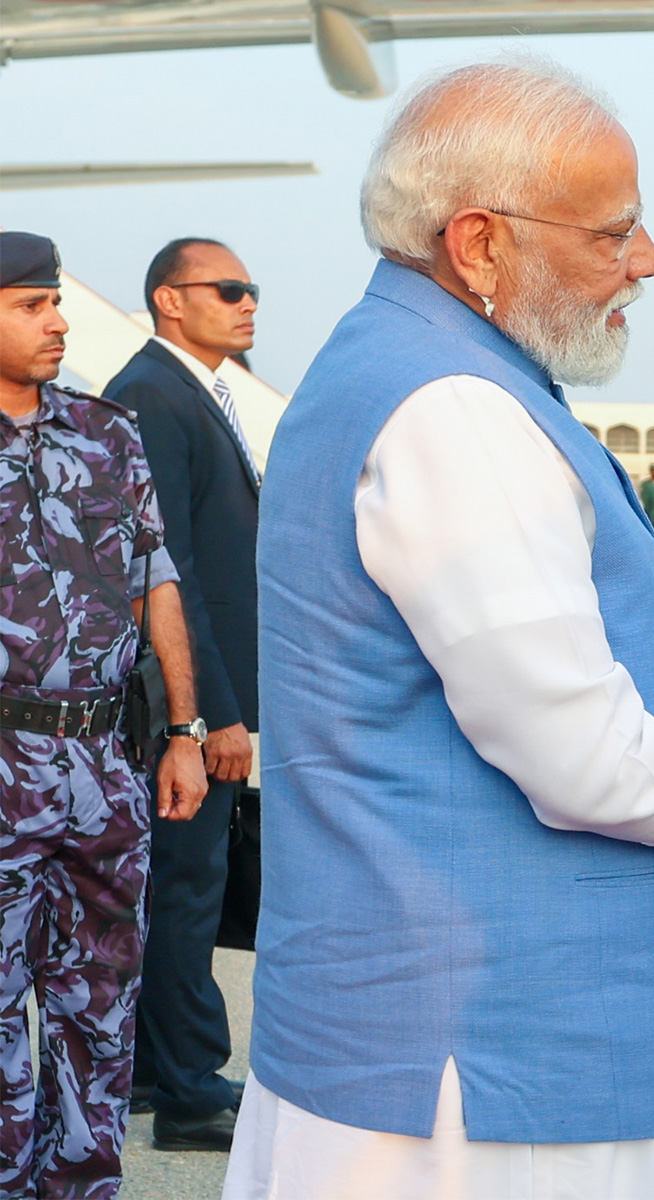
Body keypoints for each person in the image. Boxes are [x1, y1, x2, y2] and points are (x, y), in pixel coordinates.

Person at [222, 59, 654, 1200]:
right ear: (480, 245)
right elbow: (589, 761)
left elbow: (584, 682)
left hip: (478, 1052)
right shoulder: (456, 413)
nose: (644, 261)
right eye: (613, 233)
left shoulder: (432, 373)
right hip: (506, 1080)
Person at [0, 231, 209, 1197]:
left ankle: (79, 1187)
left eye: (54, 301)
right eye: (31, 305)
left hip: (101, 766)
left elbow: (155, 584)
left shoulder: (106, 431)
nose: (58, 321)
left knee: (100, 1005)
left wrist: (182, 731)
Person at [102, 237, 262, 1151]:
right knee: (185, 888)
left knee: (178, 888)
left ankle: (157, 1071)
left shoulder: (194, 391)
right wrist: (206, 718)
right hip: (192, 709)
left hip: (210, 699)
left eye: (251, 290)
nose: (248, 305)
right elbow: (170, 577)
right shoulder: (152, 396)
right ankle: (193, 1091)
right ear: (170, 299)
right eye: (228, 289)